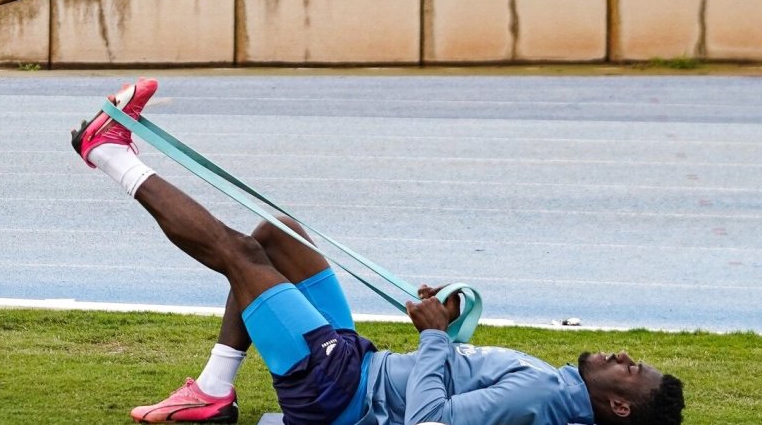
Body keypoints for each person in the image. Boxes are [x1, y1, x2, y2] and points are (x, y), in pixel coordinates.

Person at [72, 78, 685, 425]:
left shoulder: (546, 399)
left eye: (630, 370)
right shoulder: (557, 393)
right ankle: (214, 389)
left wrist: (435, 337)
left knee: (240, 255)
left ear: (618, 406)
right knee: (279, 234)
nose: (624, 356)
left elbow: (429, 423)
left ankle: (106, 151)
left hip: (340, 389)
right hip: (360, 368)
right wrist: (445, 324)